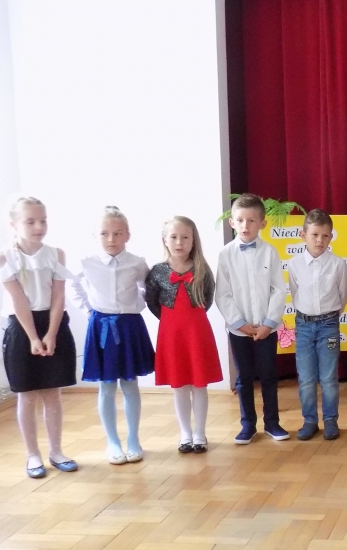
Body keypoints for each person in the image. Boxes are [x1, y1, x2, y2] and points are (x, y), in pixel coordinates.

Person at [0, 196, 78, 479]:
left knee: (52, 393)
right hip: (22, 327)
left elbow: (58, 296)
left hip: (52, 323)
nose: (39, 227)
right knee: (27, 395)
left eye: (43, 220)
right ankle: (33, 454)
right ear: (14, 224)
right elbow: (18, 299)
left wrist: (51, 334)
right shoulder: (4, 257)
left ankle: (56, 451)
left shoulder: (56, 254)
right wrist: (33, 337)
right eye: (30, 221)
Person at [70, 206, 155, 465]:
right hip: (101, 326)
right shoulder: (86, 262)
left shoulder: (137, 262)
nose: (111, 239)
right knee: (106, 387)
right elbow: (72, 285)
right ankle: (113, 442)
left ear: (127, 234)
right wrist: (88, 311)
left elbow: (147, 287)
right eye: (104, 233)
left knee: (130, 384)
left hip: (129, 327)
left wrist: (135, 306)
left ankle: (133, 439)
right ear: (94, 235)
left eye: (118, 233)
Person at [215, 194, 290, 444]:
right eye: (240, 220)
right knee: (244, 378)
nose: (245, 225)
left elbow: (278, 289)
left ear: (262, 223)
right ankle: (248, 424)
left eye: (251, 220)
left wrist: (269, 323)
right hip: (240, 330)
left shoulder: (270, 252)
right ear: (232, 223)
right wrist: (240, 324)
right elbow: (223, 293)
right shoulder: (225, 254)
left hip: (267, 329)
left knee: (268, 376)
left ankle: (272, 423)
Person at [145, 216, 223, 453]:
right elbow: (152, 302)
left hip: (197, 332)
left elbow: (207, 298)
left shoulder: (202, 269)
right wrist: (171, 321)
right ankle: (185, 434)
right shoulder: (157, 272)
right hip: (171, 335)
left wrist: (191, 320)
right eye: (174, 237)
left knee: (199, 384)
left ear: (193, 240)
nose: (179, 242)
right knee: (179, 385)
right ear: (165, 240)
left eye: (185, 237)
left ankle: (199, 433)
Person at [288, 209, 347, 442]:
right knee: (306, 377)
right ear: (303, 235)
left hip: (328, 325)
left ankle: (331, 420)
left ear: (331, 237)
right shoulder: (294, 265)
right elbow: (295, 293)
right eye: (314, 235)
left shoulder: (337, 264)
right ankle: (309, 421)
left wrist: (328, 317)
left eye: (325, 236)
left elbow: (342, 295)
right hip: (304, 325)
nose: (319, 240)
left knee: (328, 377)